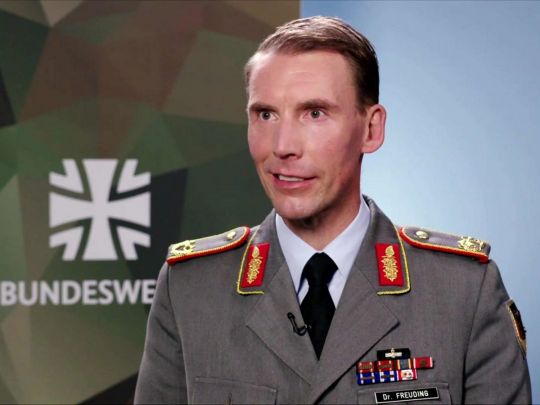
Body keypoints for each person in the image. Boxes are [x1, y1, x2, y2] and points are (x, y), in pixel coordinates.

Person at [134, 16, 531, 404]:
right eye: (266, 114)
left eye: (315, 113)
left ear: (371, 129)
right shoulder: (190, 289)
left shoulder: (462, 291)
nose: (283, 146)